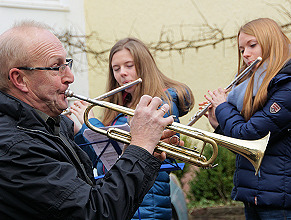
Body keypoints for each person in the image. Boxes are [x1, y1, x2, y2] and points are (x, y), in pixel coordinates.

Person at [0, 21, 179, 220]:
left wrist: (145, 156)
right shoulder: (17, 148)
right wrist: (140, 146)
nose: (70, 77)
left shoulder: (49, 127)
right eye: (55, 67)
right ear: (19, 79)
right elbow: (96, 212)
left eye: (66, 64)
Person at [70, 37, 194, 219]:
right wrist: (79, 131)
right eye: (116, 68)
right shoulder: (119, 108)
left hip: (148, 205)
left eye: (129, 66)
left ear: (143, 66)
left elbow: (139, 149)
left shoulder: (161, 103)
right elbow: (103, 161)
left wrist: (92, 123)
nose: (122, 74)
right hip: (124, 200)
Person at [202, 18, 291, 219]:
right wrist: (219, 124)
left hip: (280, 200)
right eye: (242, 49)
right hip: (255, 194)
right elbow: (244, 144)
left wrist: (223, 107)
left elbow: (251, 133)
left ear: (271, 42)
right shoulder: (252, 87)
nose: (246, 55)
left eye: (252, 45)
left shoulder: (287, 86)